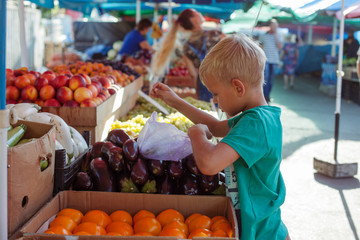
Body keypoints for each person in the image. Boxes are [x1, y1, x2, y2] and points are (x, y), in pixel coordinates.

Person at [151, 34, 290, 240]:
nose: (215, 101)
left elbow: (209, 163)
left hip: (259, 231)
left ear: (238, 87)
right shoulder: (259, 117)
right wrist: (176, 102)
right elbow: (215, 127)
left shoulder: (255, 124)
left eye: (216, 94)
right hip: (262, 222)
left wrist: (196, 134)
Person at [151, 8, 225, 102]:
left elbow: (193, 74)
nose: (199, 13)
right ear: (192, 19)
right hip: (222, 81)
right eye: (196, 12)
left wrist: (197, 93)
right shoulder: (215, 34)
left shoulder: (186, 46)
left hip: (204, 85)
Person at [259, 19, 283, 102]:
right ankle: (264, 96)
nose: (274, 27)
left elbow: (280, 47)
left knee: (271, 80)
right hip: (266, 60)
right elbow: (260, 47)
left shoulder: (279, 36)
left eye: (276, 26)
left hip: (275, 60)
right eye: (273, 26)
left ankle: (268, 95)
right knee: (265, 78)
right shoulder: (263, 35)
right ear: (270, 26)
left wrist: (276, 35)